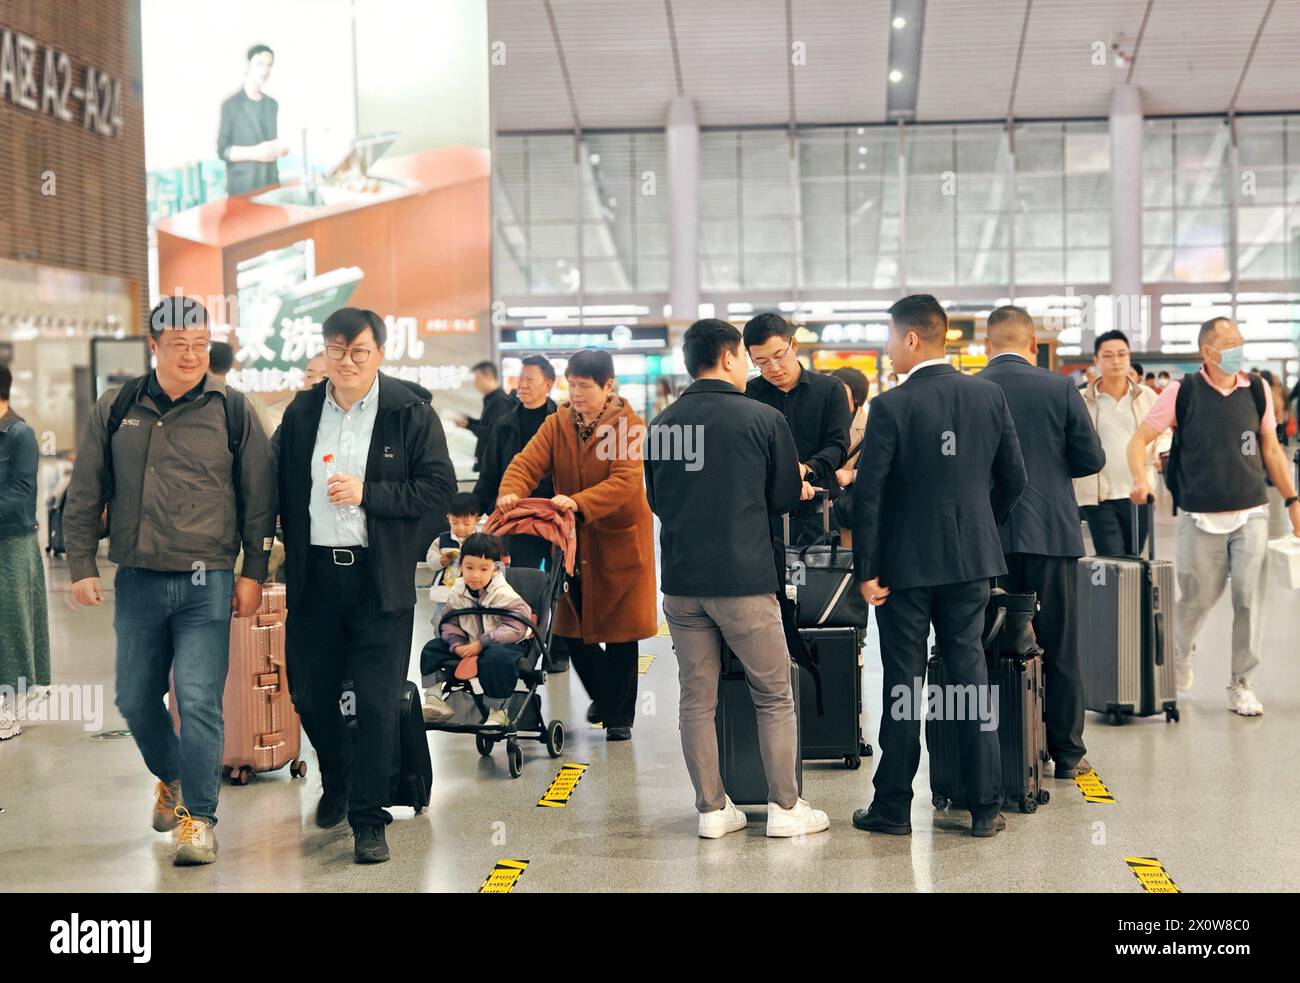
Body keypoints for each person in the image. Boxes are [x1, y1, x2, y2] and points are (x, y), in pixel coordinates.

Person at [64, 297, 276, 866]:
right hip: (138, 578)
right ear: (153, 345)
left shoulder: (232, 409)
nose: (191, 355)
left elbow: (259, 498)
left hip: (207, 581)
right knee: (135, 697)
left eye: (200, 345)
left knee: (198, 698)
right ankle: (174, 776)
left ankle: (198, 821)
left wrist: (253, 571)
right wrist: (81, 562)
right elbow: (86, 489)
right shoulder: (118, 407)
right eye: (179, 344)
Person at [276, 307, 455, 863]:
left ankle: (369, 819)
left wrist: (368, 493)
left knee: (377, 703)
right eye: (336, 350)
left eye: (359, 351)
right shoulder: (303, 411)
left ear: (379, 353)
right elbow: (274, 482)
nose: (347, 361)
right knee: (308, 693)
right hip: (314, 577)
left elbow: (438, 488)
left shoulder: (410, 412)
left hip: (379, 579)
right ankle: (339, 775)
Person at [850, 294, 1027, 838]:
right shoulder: (988, 395)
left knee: (904, 682)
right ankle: (984, 807)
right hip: (971, 564)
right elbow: (1015, 480)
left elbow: (869, 496)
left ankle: (893, 808)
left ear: (911, 338)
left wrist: (867, 569)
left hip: (903, 570)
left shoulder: (891, 407)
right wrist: (978, 526)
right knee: (970, 676)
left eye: (890, 337)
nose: (887, 349)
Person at [647, 319, 829, 839]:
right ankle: (785, 808)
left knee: (695, 699)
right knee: (772, 694)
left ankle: (711, 810)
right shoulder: (763, 418)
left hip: (682, 584)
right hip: (745, 581)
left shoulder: (661, 425)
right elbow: (782, 497)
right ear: (729, 357)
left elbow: (656, 500)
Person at [1127, 317, 1300, 717]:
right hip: (1199, 515)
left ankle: (1242, 683)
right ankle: (1182, 651)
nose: (1238, 346)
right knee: (1196, 599)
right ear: (1207, 351)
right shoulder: (1182, 391)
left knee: (1248, 599)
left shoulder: (1255, 389)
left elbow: (1271, 449)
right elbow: (1140, 440)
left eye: (1240, 339)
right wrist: (1140, 478)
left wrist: (1292, 500)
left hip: (1251, 511)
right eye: (1229, 342)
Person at [496, 348, 657, 742]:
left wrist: (579, 502)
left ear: (608, 386)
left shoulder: (628, 426)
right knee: (569, 627)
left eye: (585, 386)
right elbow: (526, 463)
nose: (577, 394)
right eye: (572, 386)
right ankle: (606, 696)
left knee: (620, 632)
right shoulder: (558, 423)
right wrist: (511, 491)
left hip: (618, 541)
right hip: (572, 541)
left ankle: (620, 718)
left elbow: (625, 481)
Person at [981, 305, 1106, 781]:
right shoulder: (1060, 388)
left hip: (989, 536)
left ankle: (1001, 747)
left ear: (988, 345)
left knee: (990, 641)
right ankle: (1067, 752)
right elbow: (1091, 458)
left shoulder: (971, 389)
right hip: (1052, 534)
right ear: (1033, 344)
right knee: (1060, 642)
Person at [743, 313, 849, 544]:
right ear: (751, 359)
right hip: (765, 519)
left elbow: (838, 445)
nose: (774, 367)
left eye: (779, 355)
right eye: (761, 361)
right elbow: (747, 454)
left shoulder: (830, 389)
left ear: (793, 345)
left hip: (819, 515)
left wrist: (805, 470)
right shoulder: (747, 395)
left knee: (822, 568)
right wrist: (784, 479)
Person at [419, 532, 534, 728]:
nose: (475, 575)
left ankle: (499, 711)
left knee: (497, 658)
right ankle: (435, 698)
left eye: (483, 569)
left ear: (495, 569)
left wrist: (482, 643)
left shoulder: (503, 593)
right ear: (460, 566)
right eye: (469, 567)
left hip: (505, 643)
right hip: (467, 641)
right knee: (432, 648)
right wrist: (456, 643)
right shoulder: (458, 591)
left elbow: (517, 626)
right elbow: (449, 623)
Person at [1076, 329, 1166, 556]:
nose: (1116, 361)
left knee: (1134, 558)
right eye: (1108, 355)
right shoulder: (1082, 400)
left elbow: (1163, 433)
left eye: (1122, 354)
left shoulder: (1147, 396)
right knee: (1112, 559)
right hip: (1098, 496)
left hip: (1139, 491)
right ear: (1096, 360)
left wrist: (1161, 451)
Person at [0, 364, 50, 741]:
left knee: (11, 622)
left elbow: (21, 497)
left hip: (12, 542)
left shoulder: (19, 434)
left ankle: (8, 706)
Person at [473, 355, 559, 567]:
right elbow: (490, 472)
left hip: (553, 517)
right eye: (521, 378)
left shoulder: (561, 422)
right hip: (515, 517)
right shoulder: (505, 423)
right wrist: (474, 510)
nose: (523, 384)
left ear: (548, 384)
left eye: (530, 379)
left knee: (557, 578)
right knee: (520, 576)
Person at [216, 44, 288, 196]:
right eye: (260, 64)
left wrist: (279, 149)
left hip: (271, 186)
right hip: (243, 190)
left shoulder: (272, 104)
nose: (265, 70)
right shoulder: (230, 104)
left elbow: (270, 142)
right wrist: (257, 152)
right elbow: (223, 151)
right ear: (247, 65)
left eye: (269, 65)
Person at [829, 366, 869, 545]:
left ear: (856, 395)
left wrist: (851, 475)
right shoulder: (821, 419)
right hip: (823, 506)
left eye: (839, 387)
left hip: (854, 507)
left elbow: (886, 468)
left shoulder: (871, 425)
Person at [426, 491, 482, 620]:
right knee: (440, 619)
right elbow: (431, 560)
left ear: (477, 520)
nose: (460, 528)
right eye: (455, 523)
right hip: (445, 592)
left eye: (466, 523)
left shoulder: (481, 541)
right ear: (448, 518)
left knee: (469, 620)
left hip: (471, 592)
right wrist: (441, 560)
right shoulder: (442, 540)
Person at [457, 361, 516, 472]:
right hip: (489, 463)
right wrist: (469, 422)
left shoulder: (500, 402)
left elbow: (493, 433)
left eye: (477, 379)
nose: (475, 383)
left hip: (495, 465)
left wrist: (468, 425)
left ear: (489, 377)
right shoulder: (492, 399)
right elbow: (487, 425)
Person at [208, 341, 273, 436]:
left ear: (207, 363)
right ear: (230, 365)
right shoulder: (251, 400)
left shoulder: (196, 399)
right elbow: (268, 435)